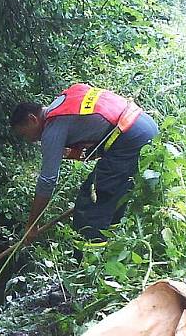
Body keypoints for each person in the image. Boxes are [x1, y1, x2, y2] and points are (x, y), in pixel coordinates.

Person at [10, 83, 159, 243]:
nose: (29, 140)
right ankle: (112, 248)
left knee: (89, 208)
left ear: (32, 119)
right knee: (111, 202)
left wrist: (32, 224)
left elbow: (48, 180)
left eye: (25, 134)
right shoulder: (63, 101)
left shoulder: (52, 128)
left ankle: (89, 261)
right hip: (143, 125)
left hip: (130, 138)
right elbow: (99, 128)